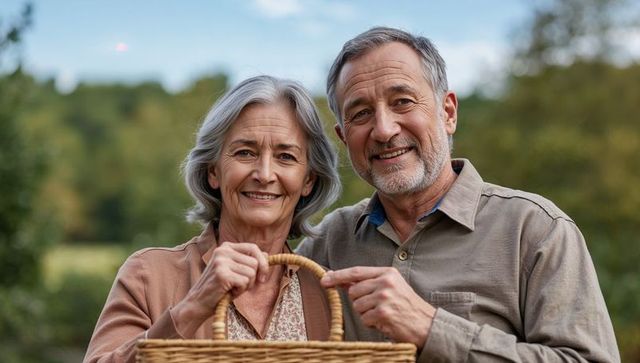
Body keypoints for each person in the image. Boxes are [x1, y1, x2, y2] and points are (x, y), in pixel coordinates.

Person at [296, 26, 620, 362]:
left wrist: (431, 328)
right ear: (344, 136)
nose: (384, 129)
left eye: (402, 102)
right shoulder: (326, 245)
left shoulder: (536, 230)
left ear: (448, 113)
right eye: (361, 113)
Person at [84, 75, 341, 363]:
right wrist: (193, 306)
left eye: (286, 157)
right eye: (245, 153)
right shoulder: (147, 275)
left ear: (308, 180)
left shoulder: (327, 292)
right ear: (213, 171)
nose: (265, 174)